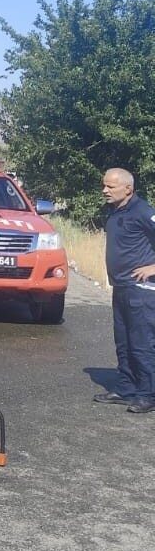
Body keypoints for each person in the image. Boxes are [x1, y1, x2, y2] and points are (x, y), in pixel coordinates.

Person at [95, 167, 155, 413]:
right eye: (104, 185)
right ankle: (126, 388)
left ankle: (148, 395)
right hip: (121, 287)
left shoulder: (143, 211)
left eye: (110, 186)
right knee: (124, 342)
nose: (104, 190)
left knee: (142, 343)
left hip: (141, 290)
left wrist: (153, 267)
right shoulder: (116, 211)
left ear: (128, 189)